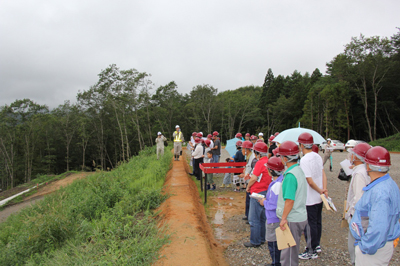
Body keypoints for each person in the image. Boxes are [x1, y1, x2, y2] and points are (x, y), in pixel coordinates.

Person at [350, 146, 400, 266]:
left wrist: (365, 247)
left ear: (368, 166)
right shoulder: (389, 184)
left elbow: (379, 226)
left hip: (374, 250)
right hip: (380, 245)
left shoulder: (380, 192)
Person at [276, 141, 307, 266]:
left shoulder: (290, 176)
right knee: (292, 251)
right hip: (299, 215)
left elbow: (289, 200)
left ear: (285, 158)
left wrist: (283, 218)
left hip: (292, 217)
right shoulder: (298, 170)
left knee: (288, 254)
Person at [297, 133, 327, 260]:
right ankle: (316, 245)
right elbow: (322, 173)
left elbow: (309, 181)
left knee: (310, 224)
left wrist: (320, 189)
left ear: (302, 145)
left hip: (310, 197)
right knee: (317, 222)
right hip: (319, 197)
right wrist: (324, 190)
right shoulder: (317, 156)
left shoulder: (304, 160)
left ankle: (310, 250)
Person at [345, 142, 371, 265]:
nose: (351, 156)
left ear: (357, 157)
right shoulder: (365, 169)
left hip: (358, 216)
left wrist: (350, 213)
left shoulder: (359, 174)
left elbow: (359, 198)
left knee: (354, 245)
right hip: (365, 216)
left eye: (353, 154)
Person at [244, 141, 272, 248]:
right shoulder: (268, 162)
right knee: (262, 217)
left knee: (253, 218)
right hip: (266, 191)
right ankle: (261, 238)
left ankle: (255, 241)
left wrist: (248, 187)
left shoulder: (259, 163)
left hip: (257, 192)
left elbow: (255, 178)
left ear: (257, 153)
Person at [259, 156, 285, 266]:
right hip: (276, 217)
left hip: (273, 218)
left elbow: (274, 205)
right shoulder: (281, 180)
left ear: (271, 171)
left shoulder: (277, 185)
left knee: (273, 243)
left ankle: (276, 263)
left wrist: (264, 202)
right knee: (276, 243)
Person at [239, 140, 256, 220]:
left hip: (251, 182)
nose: (242, 150)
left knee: (250, 200)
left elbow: (253, 172)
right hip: (248, 181)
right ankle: (248, 215)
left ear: (247, 150)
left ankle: (250, 217)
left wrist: (245, 174)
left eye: (242, 149)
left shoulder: (253, 158)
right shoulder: (249, 157)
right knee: (248, 200)